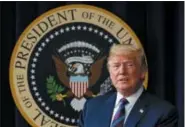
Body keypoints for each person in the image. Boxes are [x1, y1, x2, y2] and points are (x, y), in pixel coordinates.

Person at [78, 44, 178, 127]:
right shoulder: (91, 108)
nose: (122, 71)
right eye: (116, 66)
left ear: (143, 72)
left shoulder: (163, 113)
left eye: (129, 65)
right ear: (110, 73)